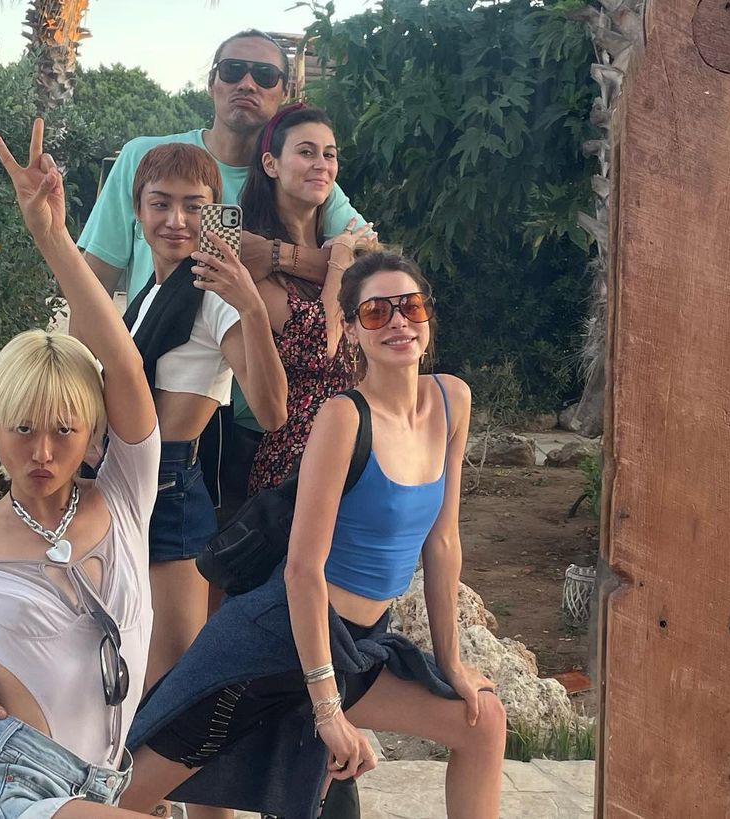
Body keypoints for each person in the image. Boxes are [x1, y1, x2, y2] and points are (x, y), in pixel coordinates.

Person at [117, 252, 508, 819]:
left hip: (355, 646)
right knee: (124, 798)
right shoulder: (344, 418)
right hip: (271, 647)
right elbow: (302, 569)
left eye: (410, 307)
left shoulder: (451, 401)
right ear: (350, 328)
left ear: (428, 317)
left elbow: (443, 542)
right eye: (376, 312)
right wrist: (327, 709)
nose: (398, 322)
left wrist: (451, 662)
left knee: (483, 721)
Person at [0, 118, 159, 817]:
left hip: (99, 785)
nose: (43, 452)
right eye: (22, 429)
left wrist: (53, 238)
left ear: (92, 431)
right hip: (2, 785)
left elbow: (125, 365)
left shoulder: (125, 497)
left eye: (64, 430)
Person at [118, 140, 287, 700]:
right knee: (129, 659)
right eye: (160, 203)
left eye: (194, 206)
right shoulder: (151, 294)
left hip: (167, 488)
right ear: (138, 211)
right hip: (127, 481)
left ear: (214, 213)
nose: (177, 220)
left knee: (168, 676)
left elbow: (272, 411)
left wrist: (251, 306)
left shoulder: (214, 298)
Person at [79, 29, 365, 303]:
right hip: (149, 336)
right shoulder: (144, 157)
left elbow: (370, 262)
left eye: (265, 75)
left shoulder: (299, 177)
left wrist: (275, 254)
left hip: (255, 337)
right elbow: (94, 282)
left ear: (285, 91)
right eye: (232, 70)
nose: (247, 84)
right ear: (211, 82)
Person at [221, 104, 371, 514]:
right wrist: (340, 260)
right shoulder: (250, 255)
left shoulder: (338, 242)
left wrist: (335, 253)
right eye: (306, 152)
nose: (321, 164)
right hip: (296, 456)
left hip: (361, 443)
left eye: (329, 154)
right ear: (271, 164)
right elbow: (320, 343)